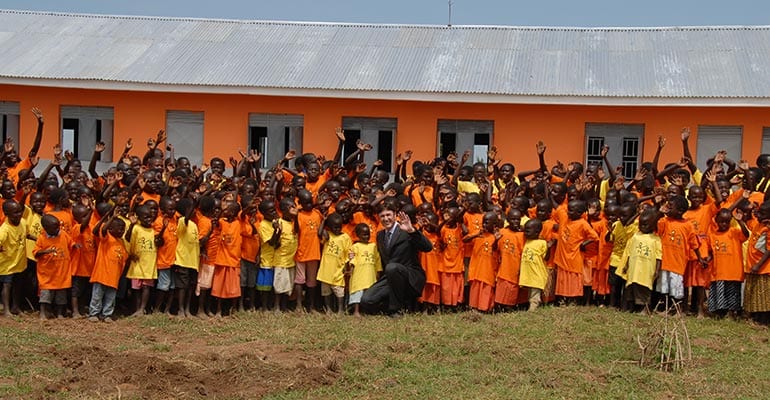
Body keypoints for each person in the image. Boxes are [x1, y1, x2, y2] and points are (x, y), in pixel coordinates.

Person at [360, 203, 433, 317]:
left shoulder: (406, 230)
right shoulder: (380, 236)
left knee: (392, 267)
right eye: (382, 216)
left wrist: (412, 231)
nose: (386, 218)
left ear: (395, 215)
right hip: (390, 277)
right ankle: (399, 306)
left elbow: (427, 247)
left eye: (388, 215)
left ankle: (396, 310)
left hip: (410, 277)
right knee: (367, 300)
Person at [88, 209, 128, 322]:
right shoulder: (106, 239)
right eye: (120, 229)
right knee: (97, 296)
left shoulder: (121, 242)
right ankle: (94, 313)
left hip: (114, 277)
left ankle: (106, 314)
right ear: (111, 229)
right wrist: (112, 218)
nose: (122, 231)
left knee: (110, 298)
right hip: (101, 275)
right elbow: (103, 229)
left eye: (123, 229)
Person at [708, 208, 748, 319]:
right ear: (716, 221)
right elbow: (711, 251)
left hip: (733, 271)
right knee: (719, 292)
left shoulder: (734, 232)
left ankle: (732, 313)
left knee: (733, 293)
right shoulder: (712, 235)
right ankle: (720, 313)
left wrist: (740, 221)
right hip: (719, 271)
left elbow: (746, 235)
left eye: (727, 221)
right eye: (721, 221)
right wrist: (707, 258)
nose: (724, 224)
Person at [620, 209, 662, 313]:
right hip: (634, 269)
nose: (642, 227)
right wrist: (626, 265)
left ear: (653, 225)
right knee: (631, 287)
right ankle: (632, 308)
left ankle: (645, 309)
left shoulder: (656, 239)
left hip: (646, 270)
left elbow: (658, 256)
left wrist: (657, 270)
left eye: (646, 224)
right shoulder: (636, 236)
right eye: (641, 224)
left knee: (644, 289)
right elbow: (630, 252)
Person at [34, 214, 73, 319]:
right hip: (47, 274)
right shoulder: (42, 238)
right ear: (46, 228)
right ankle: (43, 312)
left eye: (58, 226)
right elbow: (36, 253)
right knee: (45, 295)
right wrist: (45, 251)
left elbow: (71, 243)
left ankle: (60, 313)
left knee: (61, 296)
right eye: (55, 227)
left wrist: (75, 245)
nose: (58, 229)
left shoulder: (63, 234)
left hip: (61, 273)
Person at [125, 205, 161, 317]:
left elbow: (158, 243)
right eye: (145, 217)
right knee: (136, 288)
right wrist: (131, 225)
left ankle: (142, 308)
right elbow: (128, 239)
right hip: (137, 264)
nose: (149, 219)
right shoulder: (136, 228)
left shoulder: (153, 230)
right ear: (139, 217)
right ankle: (137, 308)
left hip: (149, 264)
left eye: (150, 217)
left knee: (146, 287)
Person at [317, 213, 351, 314]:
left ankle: (340, 309)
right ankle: (328, 309)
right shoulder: (327, 235)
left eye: (339, 227)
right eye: (334, 227)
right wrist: (324, 221)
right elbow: (319, 233)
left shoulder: (345, 237)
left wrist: (346, 266)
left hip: (338, 270)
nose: (337, 229)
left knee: (339, 291)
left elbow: (347, 253)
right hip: (325, 271)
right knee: (326, 292)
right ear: (330, 227)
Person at [0, 200, 29, 317]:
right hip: (7, 264)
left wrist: (37, 240)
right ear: (7, 214)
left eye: (19, 211)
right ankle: (6, 309)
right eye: (15, 213)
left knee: (18, 285)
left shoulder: (23, 222)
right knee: (7, 285)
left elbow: (27, 234)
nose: (19, 214)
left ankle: (15, 307)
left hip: (20, 262)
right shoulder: (4, 229)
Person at [347, 223, 382, 317]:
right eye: (364, 234)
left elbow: (377, 258)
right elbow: (352, 259)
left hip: (370, 274)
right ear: (357, 235)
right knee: (357, 293)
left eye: (368, 234)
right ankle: (356, 311)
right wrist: (351, 268)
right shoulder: (355, 246)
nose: (366, 236)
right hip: (359, 274)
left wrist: (378, 271)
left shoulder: (373, 246)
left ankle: (367, 311)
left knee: (369, 292)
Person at [518, 219, 551, 311]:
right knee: (530, 292)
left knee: (534, 292)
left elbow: (546, 258)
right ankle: (531, 305)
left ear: (537, 232)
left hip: (537, 273)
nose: (525, 233)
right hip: (528, 273)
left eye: (527, 231)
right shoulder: (527, 241)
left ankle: (533, 308)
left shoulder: (542, 243)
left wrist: (549, 248)